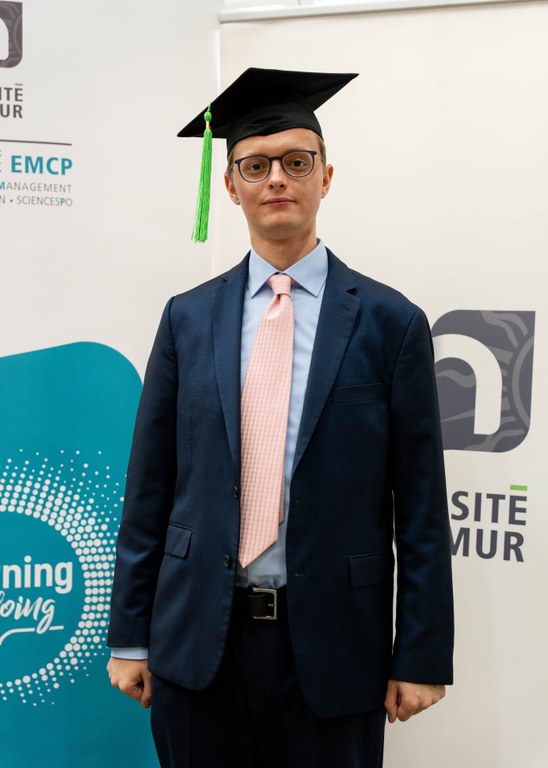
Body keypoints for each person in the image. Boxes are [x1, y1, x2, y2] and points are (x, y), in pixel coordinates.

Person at [107, 67, 454, 768]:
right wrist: (130, 636)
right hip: (198, 642)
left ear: (326, 178)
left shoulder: (391, 323)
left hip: (334, 648)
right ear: (230, 185)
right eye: (255, 165)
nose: (276, 180)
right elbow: (150, 490)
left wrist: (421, 654)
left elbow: (420, 506)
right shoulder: (187, 319)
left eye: (297, 163)